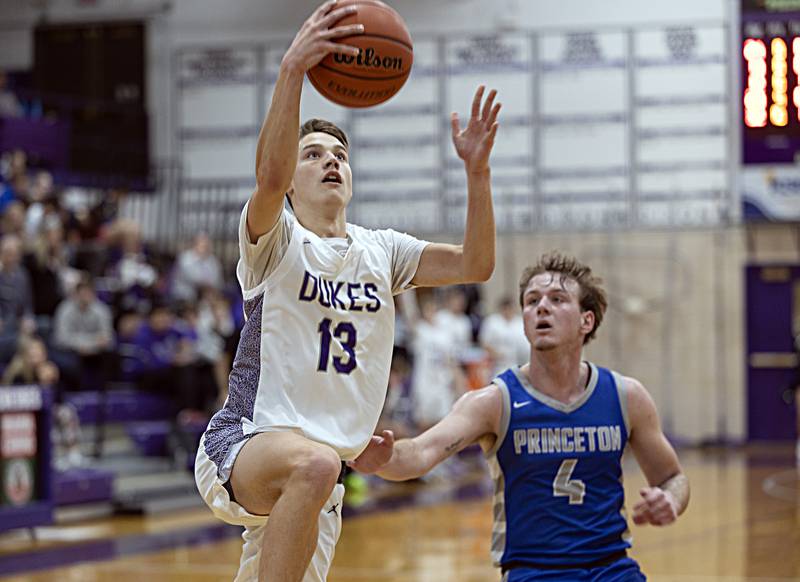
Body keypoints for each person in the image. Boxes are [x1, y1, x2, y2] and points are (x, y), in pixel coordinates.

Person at [193, 2, 501, 581]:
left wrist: (478, 176)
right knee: (313, 463)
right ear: (292, 182)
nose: (330, 162)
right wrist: (291, 72)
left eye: (340, 156)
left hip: (322, 474)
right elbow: (268, 177)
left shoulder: (380, 250)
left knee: (315, 473)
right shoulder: (275, 239)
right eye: (313, 155)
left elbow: (476, 263)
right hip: (248, 444)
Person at [351, 252, 690, 581]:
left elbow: (672, 477)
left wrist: (670, 499)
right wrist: (384, 458)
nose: (541, 306)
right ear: (525, 321)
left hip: (612, 568)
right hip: (535, 571)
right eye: (532, 301)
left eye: (557, 299)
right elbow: (421, 453)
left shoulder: (625, 396)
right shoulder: (495, 402)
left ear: (587, 320)